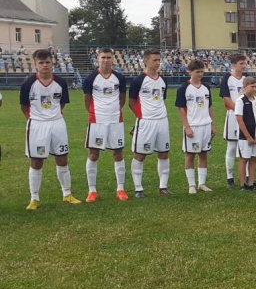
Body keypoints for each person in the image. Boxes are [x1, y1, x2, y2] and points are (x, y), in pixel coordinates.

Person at [20, 49, 78, 210]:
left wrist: (53, 115)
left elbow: (62, 103)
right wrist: (36, 119)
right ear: (35, 64)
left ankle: (67, 194)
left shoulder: (60, 82)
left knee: (62, 158)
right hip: (37, 125)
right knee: (36, 161)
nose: (45, 65)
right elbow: (24, 106)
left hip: (57, 123)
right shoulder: (28, 83)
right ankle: (34, 198)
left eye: (47, 62)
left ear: (52, 63)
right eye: (41, 62)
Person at [82, 47, 128, 203]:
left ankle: (120, 189)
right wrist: (96, 113)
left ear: (113, 59)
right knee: (94, 154)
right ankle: (92, 190)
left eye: (109, 57)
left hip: (115, 120)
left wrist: (113, 111)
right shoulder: (91, 79)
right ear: (98, 58)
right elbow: (87, 100)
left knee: (118, 153)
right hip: (97, 121)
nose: (106, 60)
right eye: (103, 57)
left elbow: (122, 99)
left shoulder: (119, 78)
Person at [129, 49, 171, 198]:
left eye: (159, 60)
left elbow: (161, 100)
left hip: (162, 121)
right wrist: (141, 117)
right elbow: (131, 102)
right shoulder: (138, 80)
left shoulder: (163, 80)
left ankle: (163, 187)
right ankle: (138, 188)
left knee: (164, 153)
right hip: (146, 122)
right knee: (140, 155)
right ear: (146, 61)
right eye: (155, 60)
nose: (158, 63)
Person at [176, 60, 215, 194]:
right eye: (197, 71)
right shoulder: (183, 88)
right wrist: (187, 127)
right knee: (190, 155)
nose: (200, 74)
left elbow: (209, 106)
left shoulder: (206, 87)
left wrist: (212, 124)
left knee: (203, 154)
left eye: (202, 71)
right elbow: (181, 109)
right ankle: (191, 185)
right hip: (193, 126)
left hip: (206, 125)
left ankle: (202, 183)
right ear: (190, 72)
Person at [219, 53, 246, 188]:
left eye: (245, 63)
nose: (244, 66)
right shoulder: (227, 78)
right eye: (241, 63)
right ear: (234, 64)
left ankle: (247, 176)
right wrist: (238, 110)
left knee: (245, 146)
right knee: (232, 146)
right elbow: (226, 98)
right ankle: (230, 177)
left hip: (246, 117)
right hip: (233, 116)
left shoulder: (246, 79)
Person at [234, 77, 256, 191]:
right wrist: (247, 136)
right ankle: (243, 184)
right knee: (244, 159)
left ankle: (251, 182)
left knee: (253, 159)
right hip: (245, 136)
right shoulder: (240, 101)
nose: (255, 89)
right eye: (252, 86)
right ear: (244, 87)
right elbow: (239, 119)